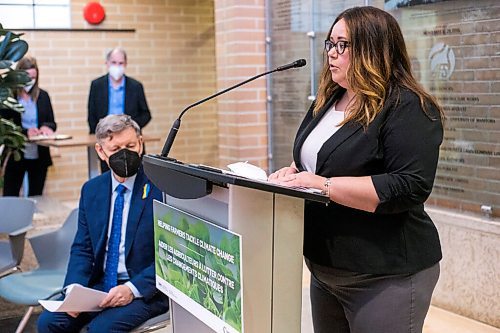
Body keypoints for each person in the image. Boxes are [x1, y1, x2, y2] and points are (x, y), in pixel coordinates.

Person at [268, 6, 443, 333]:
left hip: (385, 273)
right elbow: (316, 160)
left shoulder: (406, 106)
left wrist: (322, 185)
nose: (332, 54)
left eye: (343, 45)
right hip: (325, 268)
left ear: (373, 48)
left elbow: (408, 186)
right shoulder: (328, 99)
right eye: (330, 44)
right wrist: (291, 173)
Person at [37, 115, 168, 333]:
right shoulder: (92, 190)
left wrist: (131, 289)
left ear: (141, 144)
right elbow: (83, 248)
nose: (124, 154)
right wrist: (74, 290)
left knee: (100, 330)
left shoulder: (160, 188)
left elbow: (169, 255)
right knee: (48, 323)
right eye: (115, 148)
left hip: (143, 289)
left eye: (130, 145)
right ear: (100, 151)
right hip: (99, 285)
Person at [87, 47, 152, 172]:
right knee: (108, 178)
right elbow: (91, 115)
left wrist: (129, 128)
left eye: (121, 63)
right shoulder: (97, 85)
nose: (117, 66)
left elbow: (146, 114)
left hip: (130, 141)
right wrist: (101, 136)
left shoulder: (135, 86)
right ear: (107, 64)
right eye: (114, 63)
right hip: (107, 141)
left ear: (126, 64)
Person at [1, 56, 57, 196]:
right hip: (16, 154)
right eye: (27, 77)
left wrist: (46, 127)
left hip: (39, 154)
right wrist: (26, 132)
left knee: (36, 196)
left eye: (33, 77)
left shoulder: (43, 96)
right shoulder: (9, 97)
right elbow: (6, 127)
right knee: (11, 195)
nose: (30, 81)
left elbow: (52, 122)